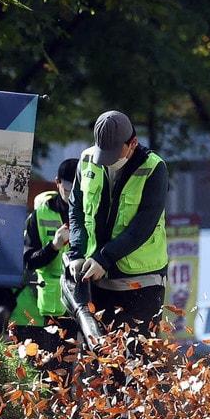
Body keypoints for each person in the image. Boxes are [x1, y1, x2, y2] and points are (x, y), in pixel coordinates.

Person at [67, 111, 168, 338]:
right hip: (99, 282)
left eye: (114, 154)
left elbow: (143, 225)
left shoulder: (154, 169)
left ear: (132, 143)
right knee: (104, 360)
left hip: (142, 282)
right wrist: (77, 252)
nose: (108, 160)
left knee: (140, 358)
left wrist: (105, 258)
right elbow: (76, 210)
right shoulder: (86, 160)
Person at [13, 158, 80, 361]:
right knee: (45, 368)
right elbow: (29, 260)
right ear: (57, 182)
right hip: (47, 305)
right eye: (68, 189)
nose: (73, 195)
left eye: (78, 188)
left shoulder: (90, 213)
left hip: (81, 303)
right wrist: (54, 245)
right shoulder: (40, 214)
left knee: (73, 372)